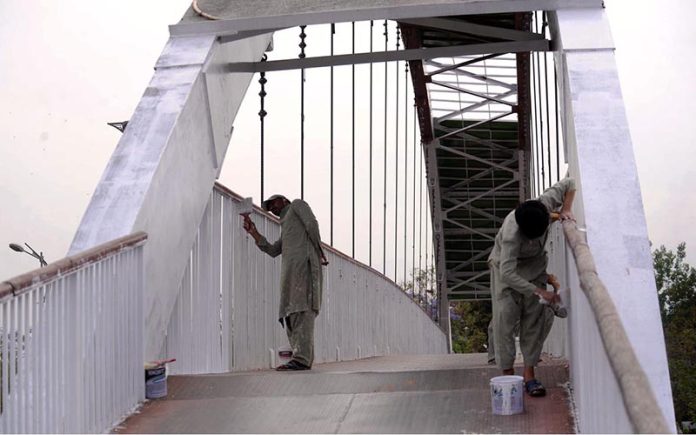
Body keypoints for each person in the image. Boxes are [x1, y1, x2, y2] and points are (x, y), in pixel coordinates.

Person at [488, 177, 575, 397]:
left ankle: (529, 376)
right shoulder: (512, 235)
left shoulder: (543, 205)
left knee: (533, 321)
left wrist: (566, 209)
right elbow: (507, 273)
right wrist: (539, 291)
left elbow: (570, 183)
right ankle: (508, 376)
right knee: (505, 321)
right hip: (506, 274)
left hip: (535, 271)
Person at [242, 194, 328, 371]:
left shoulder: (297, 205)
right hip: (291, 275)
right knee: (290, 312)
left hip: (304, 269)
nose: (272, 207)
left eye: (274, 202)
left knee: (302, 309)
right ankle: (300, 357)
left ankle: (302, 359)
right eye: (269, 206)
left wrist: (319, 251)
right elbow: (273, 250)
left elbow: (312, 224)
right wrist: (254, 232)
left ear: (284, 201)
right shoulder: (287, 226)